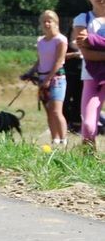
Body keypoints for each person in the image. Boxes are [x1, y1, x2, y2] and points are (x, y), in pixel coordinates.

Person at [70, 0, 105, 149]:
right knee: (89, 126)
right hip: (92, 77)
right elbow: (87, 54)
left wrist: (93, 41)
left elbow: (90, 47)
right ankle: (89, 162)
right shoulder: (82, 19)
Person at [33, 9, 68, 146]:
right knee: (48, 111)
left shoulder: (60, 40)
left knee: (56, 110)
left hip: (57, 79)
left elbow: (58, 61)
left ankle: (64, 140)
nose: (47, 24)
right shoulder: (40, 41)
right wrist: (30, 72)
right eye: (44, 21)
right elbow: (40, 60)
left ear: (56, 23)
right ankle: (55, 140)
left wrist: (48, 79)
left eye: (50, 21)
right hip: (42, 79)